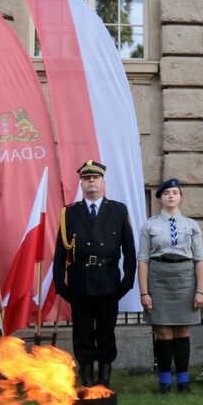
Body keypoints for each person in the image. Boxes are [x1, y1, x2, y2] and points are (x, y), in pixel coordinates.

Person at [53, 160, 137, 388]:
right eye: (86, 178)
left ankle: (105, 375)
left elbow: (129, 249)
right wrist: (60, 284)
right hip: (80, 281)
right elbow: (60, 252)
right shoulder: (69, 213)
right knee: (82, 331)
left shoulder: (118, 210)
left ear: (103, 182)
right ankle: (86, 373)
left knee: (106, 329)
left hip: (108, 280)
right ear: (81, 183)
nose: (91, 181)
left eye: (95, 178)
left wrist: (127, 281)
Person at [137, 179, 203, 394]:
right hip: (159, 276)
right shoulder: (150, 225)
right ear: (159, 198)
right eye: (166, 193)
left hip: (185, 277)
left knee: (183, 329)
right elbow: (143, 260)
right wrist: (144, 292)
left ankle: (184, 381)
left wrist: (200, 290)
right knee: (163, 330)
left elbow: (200, 259)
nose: (171, 196)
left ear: (181, 197)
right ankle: (165, 381)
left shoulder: (191, 225)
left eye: (175, 192)